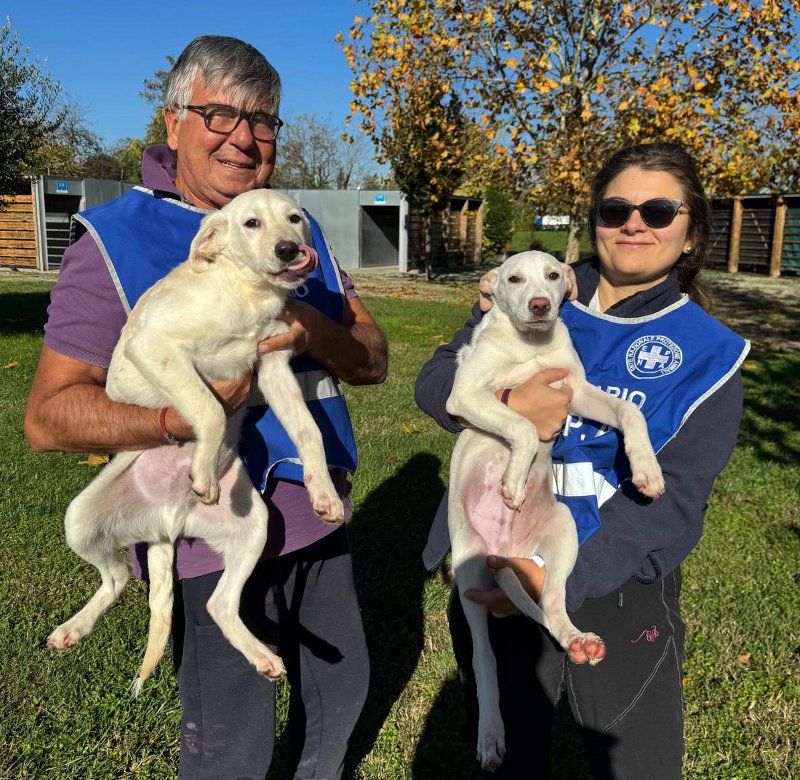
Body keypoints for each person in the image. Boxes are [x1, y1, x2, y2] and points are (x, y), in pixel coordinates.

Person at [25, 35, 387, 780]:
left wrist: (308, 326)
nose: (244, 138)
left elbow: (373, 361)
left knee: (341, 691)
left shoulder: (294, 226)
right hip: (198, 515)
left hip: (313, 508)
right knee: (231, 745)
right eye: (219, 114)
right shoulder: (114, 239)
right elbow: (49, 417)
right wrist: (180, 420)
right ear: (173, 123)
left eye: (264, 122)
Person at [415, 142, 749, 779]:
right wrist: (513, 405)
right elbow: (436, 381)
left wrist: (552, 579)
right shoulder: (530, 290)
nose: (634, 223)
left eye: (658, 210)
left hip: (612, 578)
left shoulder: (709, 351)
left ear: (691, 230)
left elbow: (674, 501)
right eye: (616, 207)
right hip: (493, 547)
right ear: (592, 219)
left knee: (635, 765)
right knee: (509, 754)